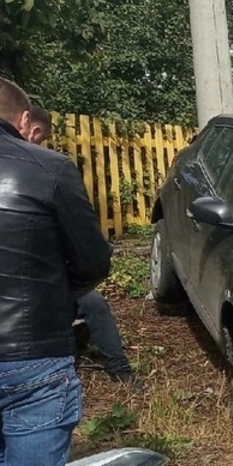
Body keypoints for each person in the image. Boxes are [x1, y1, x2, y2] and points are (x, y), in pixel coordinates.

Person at [0, 78, 112, 466]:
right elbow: (93, 262)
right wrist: (52, 290)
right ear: (24, 122)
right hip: (33, 357)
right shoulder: (46, 168)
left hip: (30, 358)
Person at [25, 107, 142, 390]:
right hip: (27, 288)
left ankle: (119, 369)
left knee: (92, 302)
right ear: (32, 129)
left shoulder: (39, 170)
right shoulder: (46, 171)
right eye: (39, 141)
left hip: (42, 277)